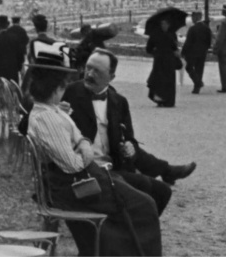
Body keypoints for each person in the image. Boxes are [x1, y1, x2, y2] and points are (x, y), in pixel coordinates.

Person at [25, 45, 162, 256]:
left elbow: (90, 139)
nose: (88, 74)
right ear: (55, 88)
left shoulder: (52, 110)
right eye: (62, 86)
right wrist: (86, 148)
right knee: (144, 205)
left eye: (97, 70)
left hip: (83, 177)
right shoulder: (48, 117)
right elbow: (72, 164)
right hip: (75, 184)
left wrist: (83, 142)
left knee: (147, 197)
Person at [63, 50, 195, 212]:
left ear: (111, 77)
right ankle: (127, 225)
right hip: (85, 172)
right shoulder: (68, 93)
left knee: (162, 192)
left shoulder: (119, 101)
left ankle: (137, 227)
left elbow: (129, 139)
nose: (89, 74)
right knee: (143, 198)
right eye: (88, 68)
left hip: (112, 168)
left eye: (97, 71)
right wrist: (58, 111)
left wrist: (130, 148)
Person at [146, 17, 181, 107]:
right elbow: (148, 48)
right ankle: (160, 99)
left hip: (169, 61)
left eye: (165, 24)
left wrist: (176, 51)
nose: (164, 26)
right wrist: (156, 52)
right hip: (160, 62)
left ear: (169, 24)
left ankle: (168, 101)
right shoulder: (155, 34)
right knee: (159, 80)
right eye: (162, 24)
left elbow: (174, 47)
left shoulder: (171, 34)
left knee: (168, 81)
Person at [181, 11, 211, 94]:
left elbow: (188, 42)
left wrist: (183, 52)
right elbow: (209, 41)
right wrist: (206, 48)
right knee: (199, 69)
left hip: (192, 52)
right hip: (203, 52)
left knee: (189, 67)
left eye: (192, 17)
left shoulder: (192, 29)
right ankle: (196, 88)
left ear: (196, 17)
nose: (192, 19)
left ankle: (198, 82)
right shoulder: (206, 28)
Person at [0, 15, 24, 82]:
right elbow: (20, 55)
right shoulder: (15, 38)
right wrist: (19, 68)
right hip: (12, 71)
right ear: (7, 25)